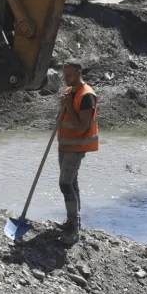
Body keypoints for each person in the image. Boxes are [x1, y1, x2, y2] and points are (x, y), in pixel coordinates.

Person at [57, 61, 99, 243]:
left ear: (79, 73)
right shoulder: (69, 92)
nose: (66, 78)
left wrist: (68, 106)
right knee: (72, 183)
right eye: (64, 75)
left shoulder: (86, 96)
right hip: (64, 145)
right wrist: (63, 105)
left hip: (76, 147)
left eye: (69, 75)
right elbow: (60, 119)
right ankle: (72, 221)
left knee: (65, 184)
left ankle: (74, 227)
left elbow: (81, 127)